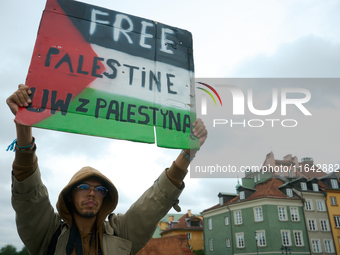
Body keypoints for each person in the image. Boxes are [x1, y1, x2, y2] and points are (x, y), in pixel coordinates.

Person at [7, 84, 208, 255]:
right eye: (84, 187)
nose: (93, 193)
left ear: (106, 198)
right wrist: (24, 125)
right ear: (69, 195)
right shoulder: (49, 234)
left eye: (100, 190)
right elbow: (29, 197)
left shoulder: (121, 234)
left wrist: (188, 154)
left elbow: (156, 200)